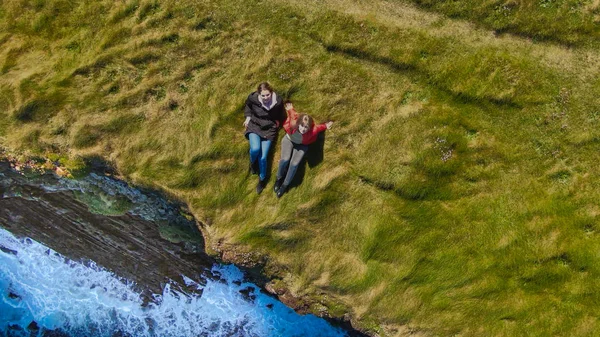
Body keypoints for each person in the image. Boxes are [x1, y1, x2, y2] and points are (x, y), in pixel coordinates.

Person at [274, 102, 333, 198]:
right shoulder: (293, 123)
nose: (303, 129)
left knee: (294, 164)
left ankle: (284, 185)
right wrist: (290, 108)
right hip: (289, 139)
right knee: (284, 160)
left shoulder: (313, 131)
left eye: (306, 127)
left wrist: (326, 125)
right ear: (298, 124)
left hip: (302, 145)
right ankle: (278, 178)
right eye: (302, 126)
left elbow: (319, 128)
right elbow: (292, 115)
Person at [244, 82, 285, 194]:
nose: (266, 97)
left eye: (268, 95)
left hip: (269, 129)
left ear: (271, 93)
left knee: (263, 157)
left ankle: (262, 179)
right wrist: (247, 118)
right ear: (259, 94)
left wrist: (278, 121)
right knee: (255, 149)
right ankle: (253, 164)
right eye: (263, 95)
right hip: (254, 125)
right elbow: (248, 105)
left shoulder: (278, 102)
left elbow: (282, 114)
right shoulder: (253, 98)